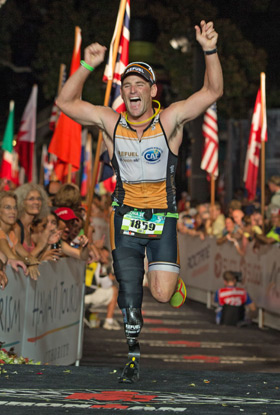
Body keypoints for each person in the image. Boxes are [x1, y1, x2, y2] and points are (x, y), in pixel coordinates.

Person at [56, 19, 223, 382]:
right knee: (130, 291)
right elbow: (64, 102)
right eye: (126, 85)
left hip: (163, 216)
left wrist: (209, 49)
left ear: (151, 90)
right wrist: (86, 65)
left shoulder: (170, 120)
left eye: (138, 85)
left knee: (161, 294)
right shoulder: (111, 122)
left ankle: (170, 280)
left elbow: (212, 91)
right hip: (125, 217)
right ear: (123, 93)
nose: (132, 90)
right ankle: (132, 355)